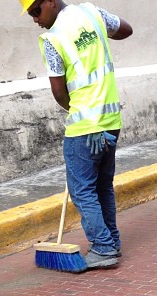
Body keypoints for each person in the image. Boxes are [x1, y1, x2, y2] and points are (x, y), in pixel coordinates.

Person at [20, 0, 133, 269]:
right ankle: (112, 242)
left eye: (36, 11)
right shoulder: (92, 13)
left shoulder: (52, 39)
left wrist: (80, 113)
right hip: (110, 120)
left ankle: (103, 247)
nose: (35, 19)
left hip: (84, 127)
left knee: (82, 190)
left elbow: (59, 92)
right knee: (102, 187)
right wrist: (97, 36)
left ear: (50, 2)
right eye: (30, 14)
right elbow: (126, 30)